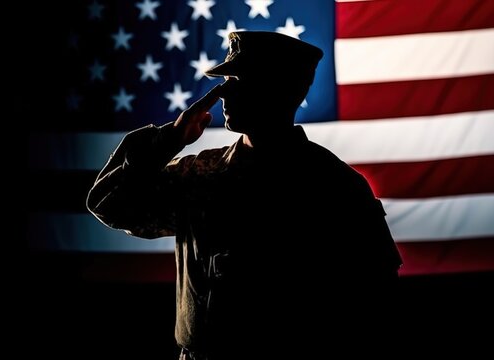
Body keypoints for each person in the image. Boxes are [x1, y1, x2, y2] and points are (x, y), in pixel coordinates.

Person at [87, 31, 402, 358]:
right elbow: (110, 203)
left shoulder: (334, 187)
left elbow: (377, 301)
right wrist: (167, 141)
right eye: (226, 81)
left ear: (281, 90)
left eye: (239, 80)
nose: (224, 93)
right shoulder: (202, 174)